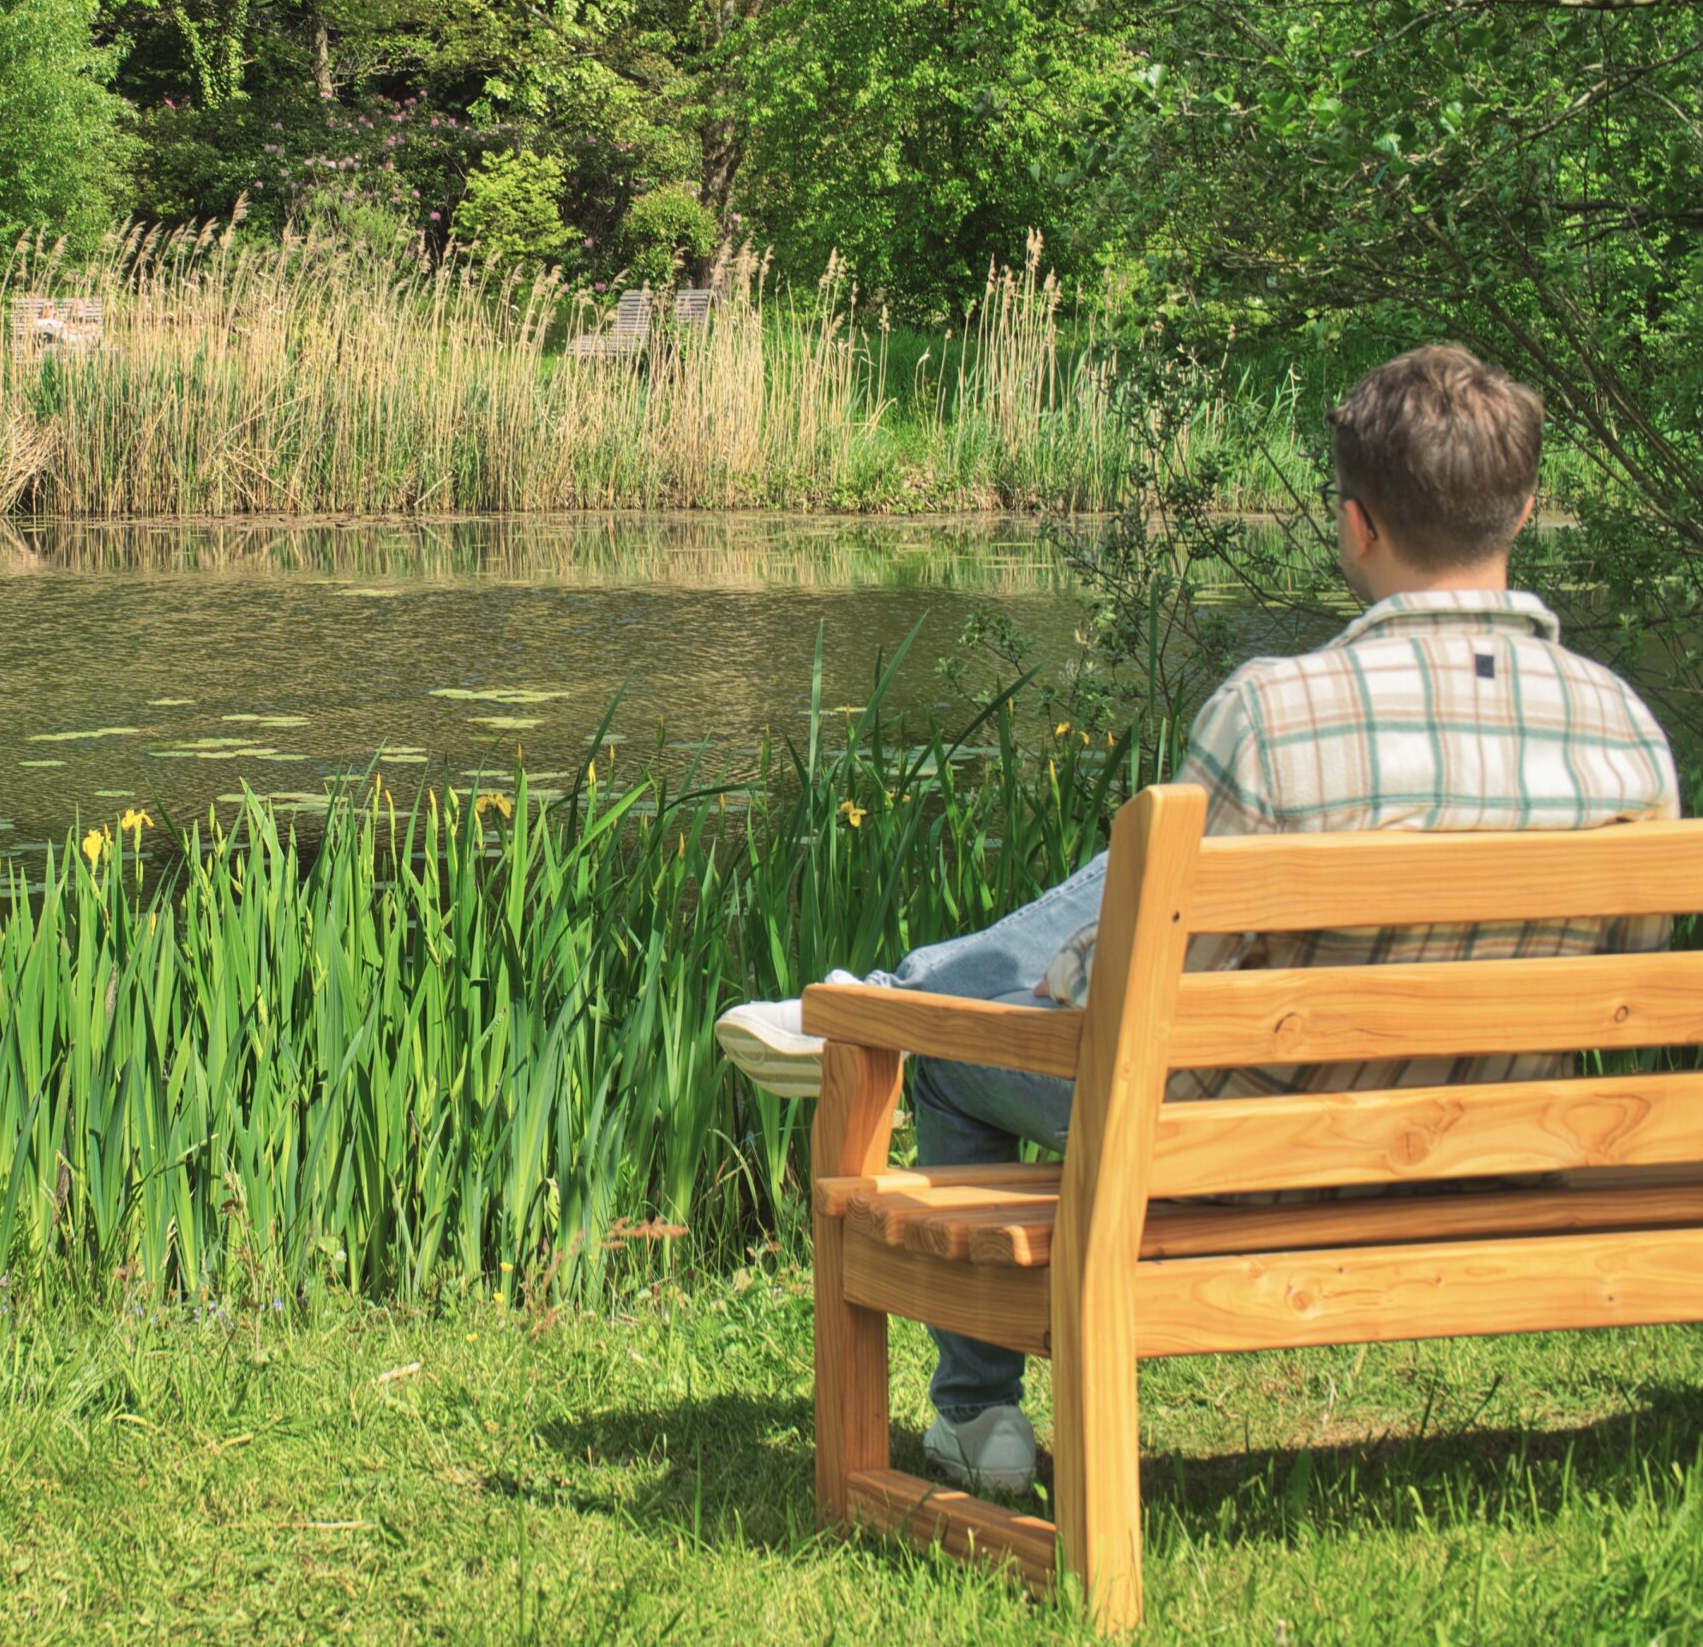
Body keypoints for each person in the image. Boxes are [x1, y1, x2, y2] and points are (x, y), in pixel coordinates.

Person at [719, 344, 1679, 1495]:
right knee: (1136, 865)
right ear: (1523, 506)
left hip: (1258, 1164)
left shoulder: (1278, 715)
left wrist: (1041, 999)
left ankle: (976, 1410)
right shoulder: (1626, 730)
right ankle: (896, 993)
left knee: (942, 1047)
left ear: (1356, 523)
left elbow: (1158, 990)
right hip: (1512, 1151)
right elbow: (1637, 969)